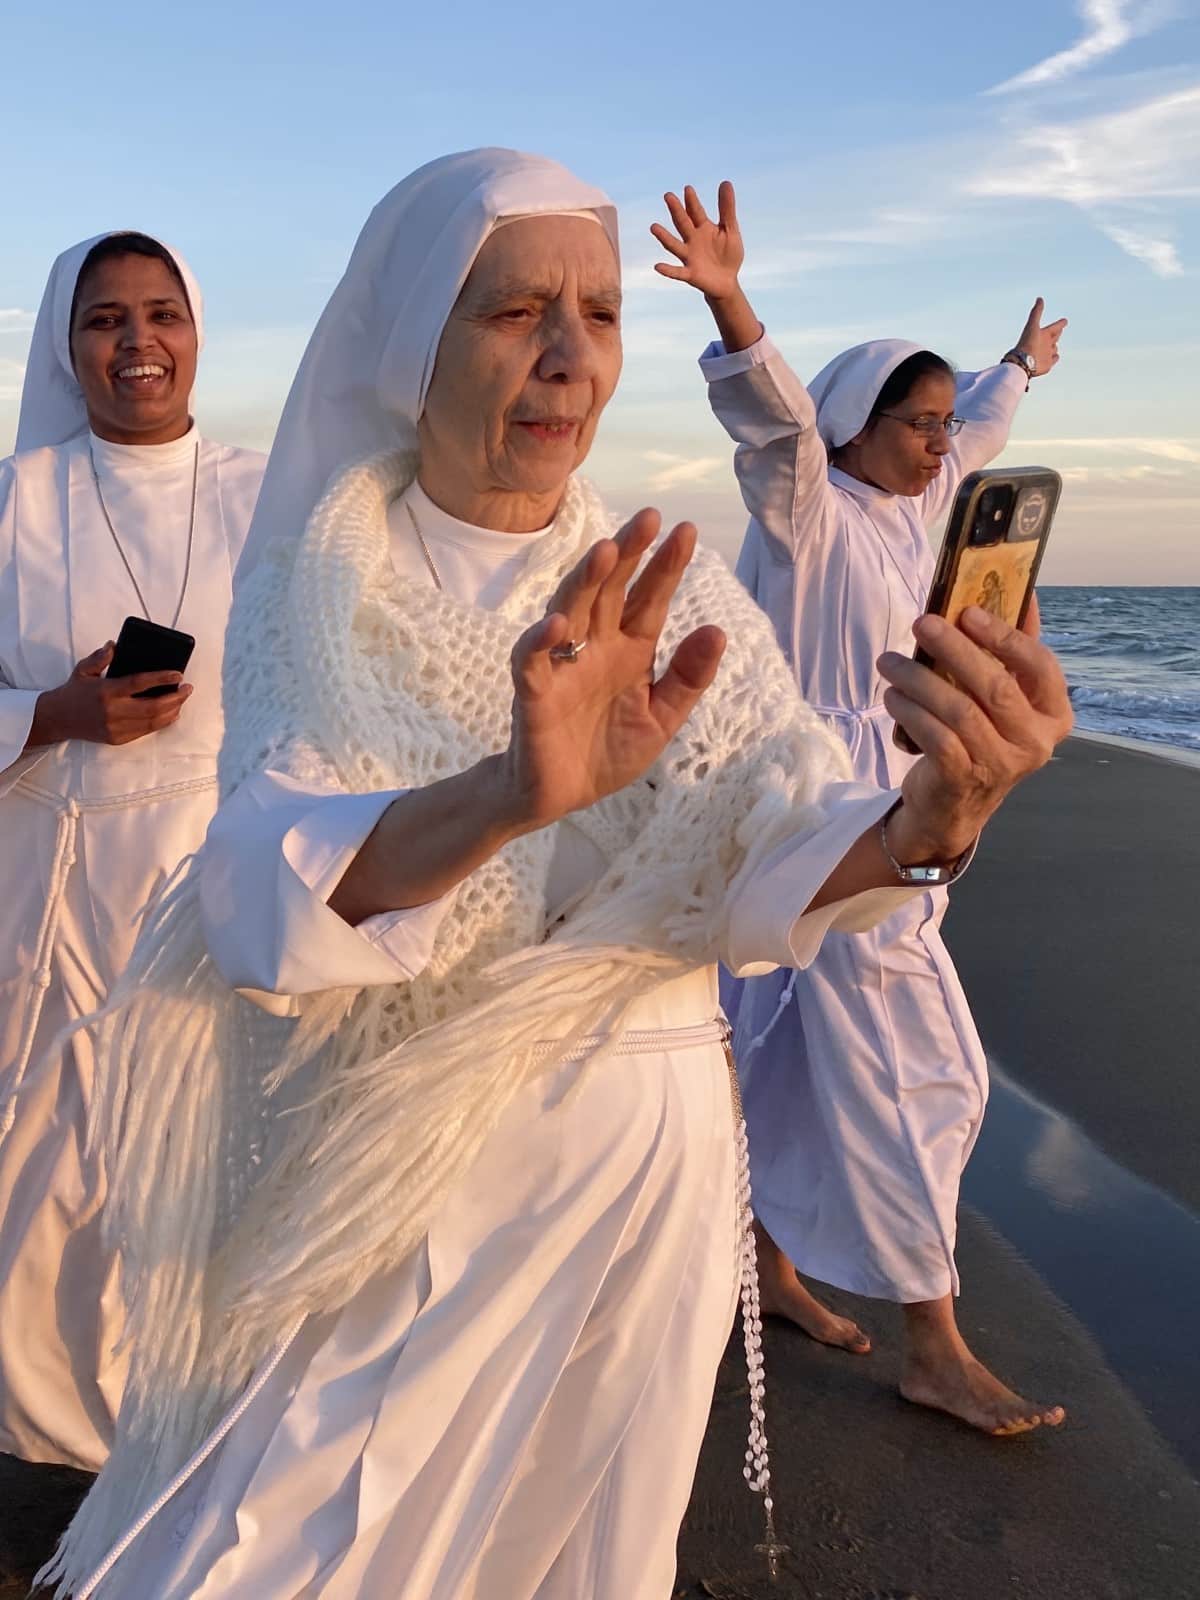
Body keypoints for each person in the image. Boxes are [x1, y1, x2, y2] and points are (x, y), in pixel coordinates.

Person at [46, 150, 1072, 1600]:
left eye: (598, 311)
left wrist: (936, 814)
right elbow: (257, 893)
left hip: (637, 1185)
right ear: (417, 337)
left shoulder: (669, 577)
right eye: (513, 309)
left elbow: (775, 833)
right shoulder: (323, 583)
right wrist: (505, 796)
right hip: (400, 1199)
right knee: (276, 1555)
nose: (568, 354)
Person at [653, 181, 1068, 1435]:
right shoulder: (810, 507)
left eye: (945, 424)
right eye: (918, 421)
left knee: (764, 1048)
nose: (942, 441)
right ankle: (932, 1340)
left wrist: (1015, 367)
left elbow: (987, 434)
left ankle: (765, 1272)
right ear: (856, 422)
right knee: (915, 1063)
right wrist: (731, 300)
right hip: (804, 806)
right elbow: (774, 422)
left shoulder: (925, 506)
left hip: (901, 794)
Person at [0, 231, 265, 1471]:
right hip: (52, 890)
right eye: (107, 319)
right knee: (58, 1185)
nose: (138, 342)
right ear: (69, 345)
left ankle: (181, 1442)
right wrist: (51, 715)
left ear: (198, 334)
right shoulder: (16, 500)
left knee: (201, 1181)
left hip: (216, 878)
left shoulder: (269, 493)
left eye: (163, 314)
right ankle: (66, 1448)